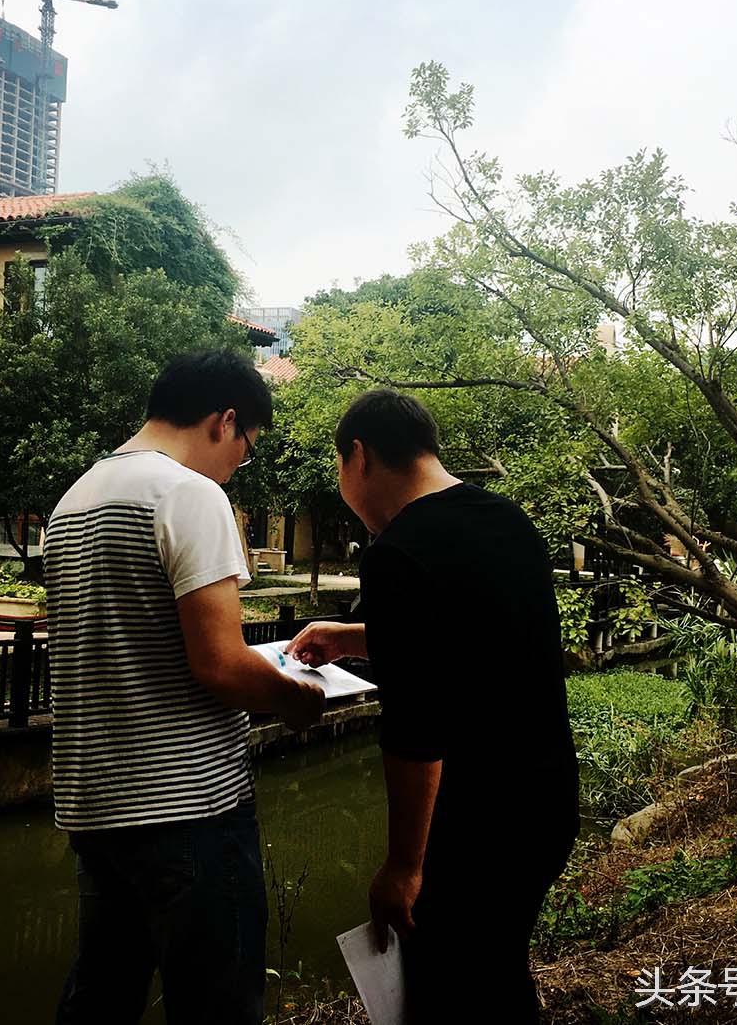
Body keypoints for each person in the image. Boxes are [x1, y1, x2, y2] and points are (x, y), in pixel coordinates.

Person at [46, 349, 325, 1025]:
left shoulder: (74, 497)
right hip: (189, 812)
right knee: (218, 1004)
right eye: (247, 448)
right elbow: (221, 664)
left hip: (96, 810)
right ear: (224, 421)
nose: (239, 466)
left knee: (102, 998)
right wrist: (294, 696)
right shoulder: (189, 493)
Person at [288, 389, 578, 1023]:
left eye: (339, 467)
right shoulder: (506, 519)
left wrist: (403, 864)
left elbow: (417, 727)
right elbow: (485, 637)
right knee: (497, 972)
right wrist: (355, 637)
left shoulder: (398, 551)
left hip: (478, 820)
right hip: (547, 803)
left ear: (357, 456)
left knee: (451, 990)